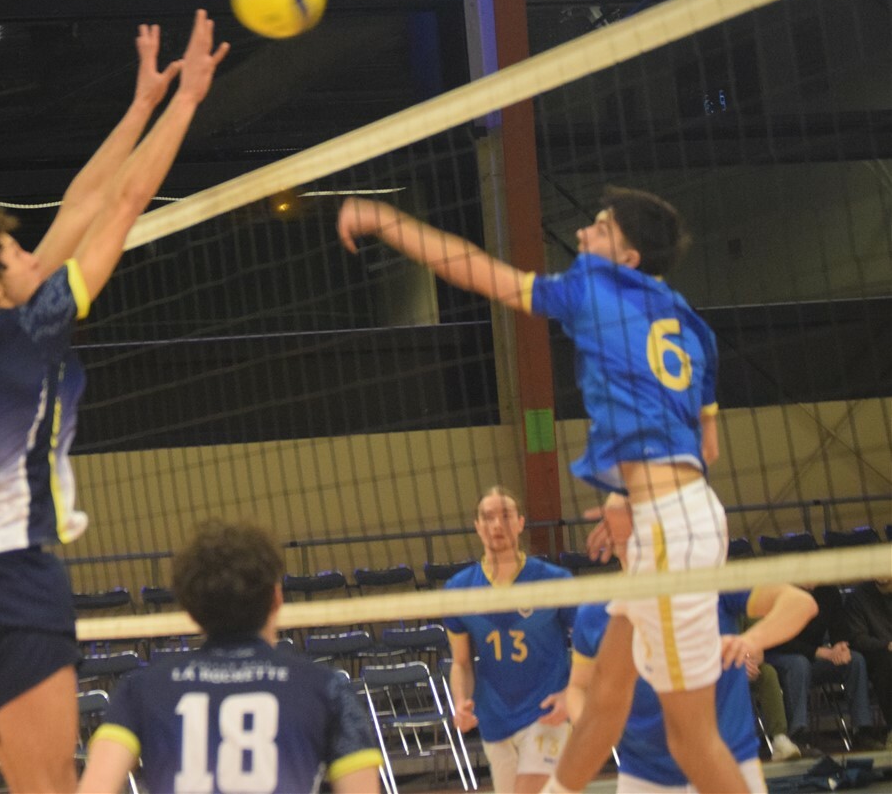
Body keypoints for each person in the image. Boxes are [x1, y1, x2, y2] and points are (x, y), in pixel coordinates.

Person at [0, 12, 228, 793]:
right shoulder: (31, 330)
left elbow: (80, 201)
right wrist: (188, 100)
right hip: (12, 581)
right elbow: (122, 204)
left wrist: (140, 105)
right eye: (16, 251)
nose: (32, 251)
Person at [337, 187, 745, 792]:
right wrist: (630, 498)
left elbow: (476, 271)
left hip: (671, 532)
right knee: (604, 702)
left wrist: (385, 220)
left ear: (627, 258)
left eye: (599, 228)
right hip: (676, 518)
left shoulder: (594, 289)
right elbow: (705, 447)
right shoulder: (691, 324)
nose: (582, 234)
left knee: (690, 737)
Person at [77, 520, 383, 794]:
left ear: (190, 609)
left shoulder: (140, 691)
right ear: (276, 598)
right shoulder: (327, 689)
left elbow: (95, 788)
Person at [566, 581, 818, 793]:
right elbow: (578, 688)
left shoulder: (712, 583)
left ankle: (780, 736)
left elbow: (800, 603)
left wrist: (750, 641)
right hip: (644, 774)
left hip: (730, 763)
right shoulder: (598, 610)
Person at [444, 487, 574, 793]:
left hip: (547, 712)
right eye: (488, 517)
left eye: (506, 516)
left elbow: (587, 646)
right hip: (495, 719)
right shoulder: (459, 590)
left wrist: (571, 692)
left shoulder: (553, 581)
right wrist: (460, 701)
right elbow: (461, 662)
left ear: (520, 522)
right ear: (477, 526)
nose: (497, 525)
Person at [764, 582, 883, 752]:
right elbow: (777, 640)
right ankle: (798, 734)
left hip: (812, 658)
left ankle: (862, 729)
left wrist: (841, 646)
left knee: (854, 661)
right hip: (779, 656)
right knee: (799, 664)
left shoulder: (828, 592)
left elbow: (839, 628)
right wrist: (818, 652)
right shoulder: (779, 592)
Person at [845, 577, 892, 744]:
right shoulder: (859, 597)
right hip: (876, 655)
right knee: (887, 663)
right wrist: (886, 645)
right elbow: (858, 639)